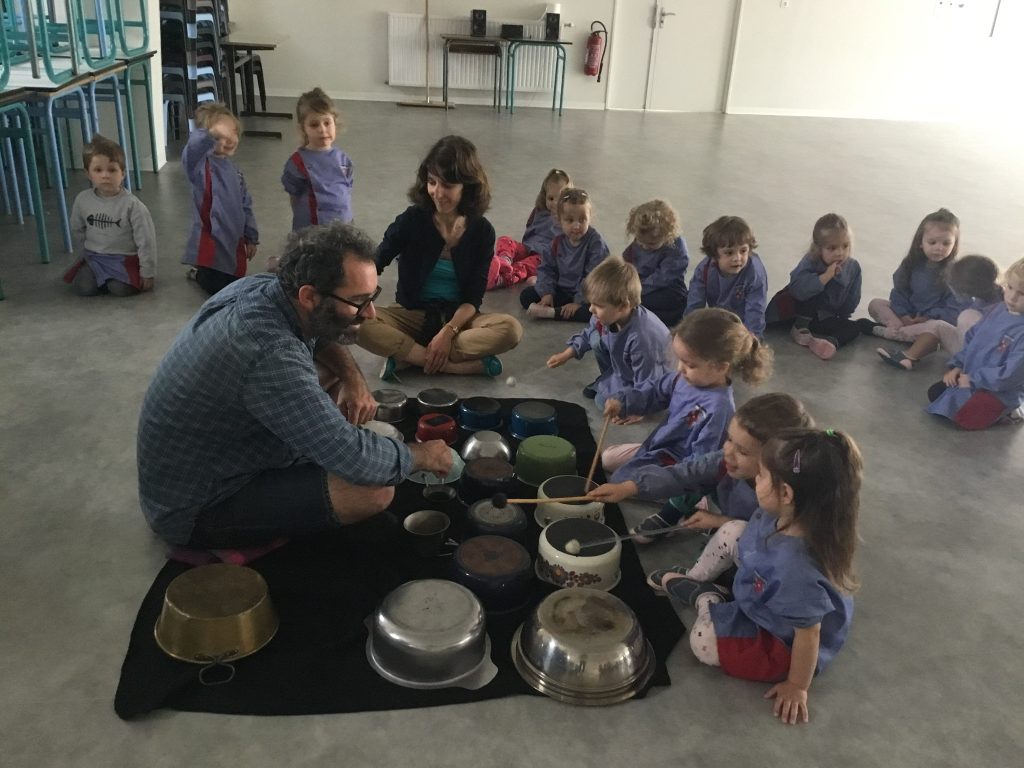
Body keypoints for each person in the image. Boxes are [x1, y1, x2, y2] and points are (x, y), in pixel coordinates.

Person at [137, 222, 453, 548]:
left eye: (372, 297)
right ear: (309, 296)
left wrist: (353, 380)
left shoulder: (265, 288)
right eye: (359, 301)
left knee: (329, 371)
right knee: (374, 491)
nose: (371, 313)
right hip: (196, 506)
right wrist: (420, 455)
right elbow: (354, 459)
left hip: (214, 457)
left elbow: (320, 335)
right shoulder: (268, 351)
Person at [655, 428, 861, 725]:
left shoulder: (795, 571)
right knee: (732, 529)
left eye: (762, 475)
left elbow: (808, 635)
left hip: (781, 636)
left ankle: (706, 598)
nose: (756, 480)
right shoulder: (782, 514)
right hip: (763, 581)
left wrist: (797, 685)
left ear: (786, 493)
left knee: (703, 644)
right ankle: (696, 577)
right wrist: (716, 521)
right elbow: (750, 537)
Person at [357, 135, 522, 379]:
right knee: (355, 322)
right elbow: (376, 262)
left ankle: (408, 357)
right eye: (432, 182)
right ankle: (450, 364)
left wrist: (448, 332)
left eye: (448, 185)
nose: (437, 192)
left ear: (467, 186)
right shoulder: (411, 220)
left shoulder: (482, 231)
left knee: (511, 329)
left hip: (458, 321)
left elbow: (473, 298)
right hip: (410, 314)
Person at [589, 393, 814, 542]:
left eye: (743, 452)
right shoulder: (726, 461)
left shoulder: (781, 497)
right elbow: (684, 474)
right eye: (729, 439)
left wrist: (721, 522)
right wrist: (630, 487)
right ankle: (670, 515)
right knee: (698, 473)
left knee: (730, 541)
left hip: (753, 545)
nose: (727, 452)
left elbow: (771, 539)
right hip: (735, 523)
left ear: (775, 462)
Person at [600, 308, 774, 487]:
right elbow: (654, 393)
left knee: (621, 480)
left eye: (690, 365)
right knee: (607, 458)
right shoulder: (683, 378)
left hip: (679, 464)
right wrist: (622, 402)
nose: (680, 369)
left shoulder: (720, 408)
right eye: (680, 360)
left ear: (720, 367)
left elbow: (700, 465)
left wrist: (656, 482)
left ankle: (682, 496)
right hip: (661, 445)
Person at [546, 257, 672, 408]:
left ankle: (613, 384)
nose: (590, 309)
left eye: (598, 305)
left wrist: (637, 409)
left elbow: (649, 382)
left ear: (622, 306)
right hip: (628, 370)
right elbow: (588, 333)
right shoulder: (607, 316)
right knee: (595, 338)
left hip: (655, 384)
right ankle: (611, 380)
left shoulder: (643, 338)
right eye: (591, 303)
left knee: (602, 402)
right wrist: (566, 354)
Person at [925, 257, 1024, 429]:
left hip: (998, 390)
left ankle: (1011, 411)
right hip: (971, 378)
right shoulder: (997, 309)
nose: (1012, 297)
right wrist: (958, 367)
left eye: (1022, 293)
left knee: (963, 416)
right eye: (1009, 287)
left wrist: (974, 380)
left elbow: (1010, 375)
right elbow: (972, 340)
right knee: (936, 392)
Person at [62, 135, 157, 296]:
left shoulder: (133, 206)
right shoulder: (82, 200)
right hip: (95, 258)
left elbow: (146, 241)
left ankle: (110, 280)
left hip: (124, 259)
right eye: (98, 170)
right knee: (85, 288)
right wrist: (86, 251)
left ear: (123, 173)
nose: (105, 175)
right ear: (88, 173)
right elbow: (77, 228)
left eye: (112, 170)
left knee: (120, 289)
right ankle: (99, 277)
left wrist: (147, 272)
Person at [182, 102, 259, 296]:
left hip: (234, 236)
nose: (229, 140)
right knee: (216, 287)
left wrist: (251, 236)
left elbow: (246, 205)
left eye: (232, 132)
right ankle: (199, 274)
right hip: (211, 237)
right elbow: (193, 148)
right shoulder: (200, 166)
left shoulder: (235, 172)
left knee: (236, 282)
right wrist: (210, 133)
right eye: (219, 137)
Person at [877, 254, 1002, 370]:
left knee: (958, 319)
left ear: (965, 290)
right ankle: (908, 356)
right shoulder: (992, 296)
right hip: (966, 346)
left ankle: (889, 333)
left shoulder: (978, 313)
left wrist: (959, 365)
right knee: (937, 325)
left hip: (974, 357)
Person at [766, 213, 862, 360]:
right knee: (813, 287)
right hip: (799, 311)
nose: (840, 253)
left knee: (854, 328)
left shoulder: (853, 267)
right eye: (832, 248)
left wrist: (843, 317)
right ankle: (800, 327)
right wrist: (824, 277)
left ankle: (829, 343)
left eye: (845, 246)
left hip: (824, 318)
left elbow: (852, 298)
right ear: (819, 248)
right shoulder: (811, 261)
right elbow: (797, 290)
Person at [865, 208, 960, 343]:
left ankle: (894, 333)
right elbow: (899, 292)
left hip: (931, 321)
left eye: (946, 243)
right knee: (875, 304)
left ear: (954, 244)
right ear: (920, 242)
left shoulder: (955, 272)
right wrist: (903, 314)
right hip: (908, 316)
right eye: (932, 242)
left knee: (935, 328)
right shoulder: (911, 263)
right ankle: (897, 328)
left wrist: (928, 317)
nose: (939, 248)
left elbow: (954, 308)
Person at [519, 187, 610, 323]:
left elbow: (593, 278)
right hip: (563, 289)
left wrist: (578, 301)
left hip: (588, 293)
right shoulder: (557, 241)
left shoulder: (595, 243)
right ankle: (558, 308)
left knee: (596, 313)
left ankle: (552, 313)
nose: (576, 226)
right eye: (570, 220)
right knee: (526, 296)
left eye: (582, 220)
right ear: (559, 220)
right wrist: (547, 293)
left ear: (589, 218)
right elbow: (547, 268)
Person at [281, 87, 354, 232]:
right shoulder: (297, 163)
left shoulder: (343, 159)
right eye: (314, 125)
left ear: (335, 123)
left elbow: (346, 191)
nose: (322, 129)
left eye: (327, 123)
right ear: (303, 129)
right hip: (311, 231)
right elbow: (294, 197)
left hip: (343, 229)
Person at [487, 168, 571, 290]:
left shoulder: (567, 219)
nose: (554, 203)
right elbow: (530, 228)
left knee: (522, 266)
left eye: (560, 199)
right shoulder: (540, 211)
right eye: (551, 198)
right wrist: (520, 248)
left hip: (543, 257)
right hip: (528, 247)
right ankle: (504, 260)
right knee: (505, 240)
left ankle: (500, 279)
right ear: (544, 196)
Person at [684, 215, 768, 337]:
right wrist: (688, 333)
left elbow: (755, 312)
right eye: (729, 252)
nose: (737, 258)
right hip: (719, 318)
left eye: (743, 251)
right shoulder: (704, 270)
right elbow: (694, 304)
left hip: (743, 323)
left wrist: (752, 341)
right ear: (714, 255)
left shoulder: (755, 273)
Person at [622, 199, 689, 328]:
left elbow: (663, 278)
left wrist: (636, 291)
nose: (644, 247)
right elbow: (627, 262)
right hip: (641, 286)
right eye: (640, 242)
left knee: (635, 303)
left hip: (668, 289)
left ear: (667, 235)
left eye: (651, 244)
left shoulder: (676, 246)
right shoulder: (642, 239)